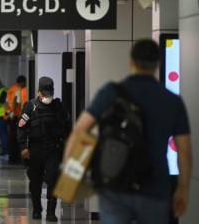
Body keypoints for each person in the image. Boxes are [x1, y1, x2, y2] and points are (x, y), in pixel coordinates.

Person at [64, 39, 192, 224]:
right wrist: (183, 188)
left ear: (131, 62)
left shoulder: (111, 92)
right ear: (158, 64)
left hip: (114, 182)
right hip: (155, 187)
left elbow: (79, 131)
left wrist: (70, 175)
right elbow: (185, 151)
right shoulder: (172, 101)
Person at [18, 77, 69, 222]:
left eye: (49, 93)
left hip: (54, 149)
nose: (47, 96)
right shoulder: (30, 106)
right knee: (35, 181)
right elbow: (21, 128)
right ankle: (37, 208)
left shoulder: (58, 106)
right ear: (39, 92)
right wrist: (23, 147)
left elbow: (67, 127)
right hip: (35, 150)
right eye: (45, 93)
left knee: (53, 179)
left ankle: (51, 211)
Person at [6, 75, 28, 164]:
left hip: (12, 116)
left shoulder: (11, 89)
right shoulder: (21, 90)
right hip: (18, 116)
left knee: (12, 138)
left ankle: (12, 158)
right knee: (18, 138)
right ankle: (17, 158)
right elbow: (16, 102)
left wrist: (9, 113)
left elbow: (7, 102)